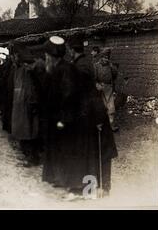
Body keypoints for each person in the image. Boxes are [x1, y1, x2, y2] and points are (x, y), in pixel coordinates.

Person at [41, 36, 117, 200]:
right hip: (87, 112)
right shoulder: (75, 66)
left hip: (91, 113)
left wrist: (64, 118)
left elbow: (71, 95)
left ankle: (93, 189)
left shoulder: (74, 68)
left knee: (97, 150)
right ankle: (86, 187)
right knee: (89, 151)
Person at [9, 44, 41, 167]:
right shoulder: (17, 69)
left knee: (29, 131)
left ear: (18, 56)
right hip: (19, 105)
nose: (12, 58)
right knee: (23, 131)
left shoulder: (26, 70)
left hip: (27, 106)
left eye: (14, 56)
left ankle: (32, 157)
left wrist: (32, 103)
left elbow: (31, 89)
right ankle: (27, 154)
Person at [94, 48, 119, 132]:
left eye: (107, 57)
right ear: (101, 57)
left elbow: (115, 75)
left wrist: (112, 66)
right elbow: (94, 79)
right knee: (101, 108)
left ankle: (111, 125)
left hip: (109, 88)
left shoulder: (110, 65)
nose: (106, 59)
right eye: (104, 57)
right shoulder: (96, 66)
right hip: (100, 89)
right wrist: (97, 85)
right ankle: (100, 126)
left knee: (111, 108)